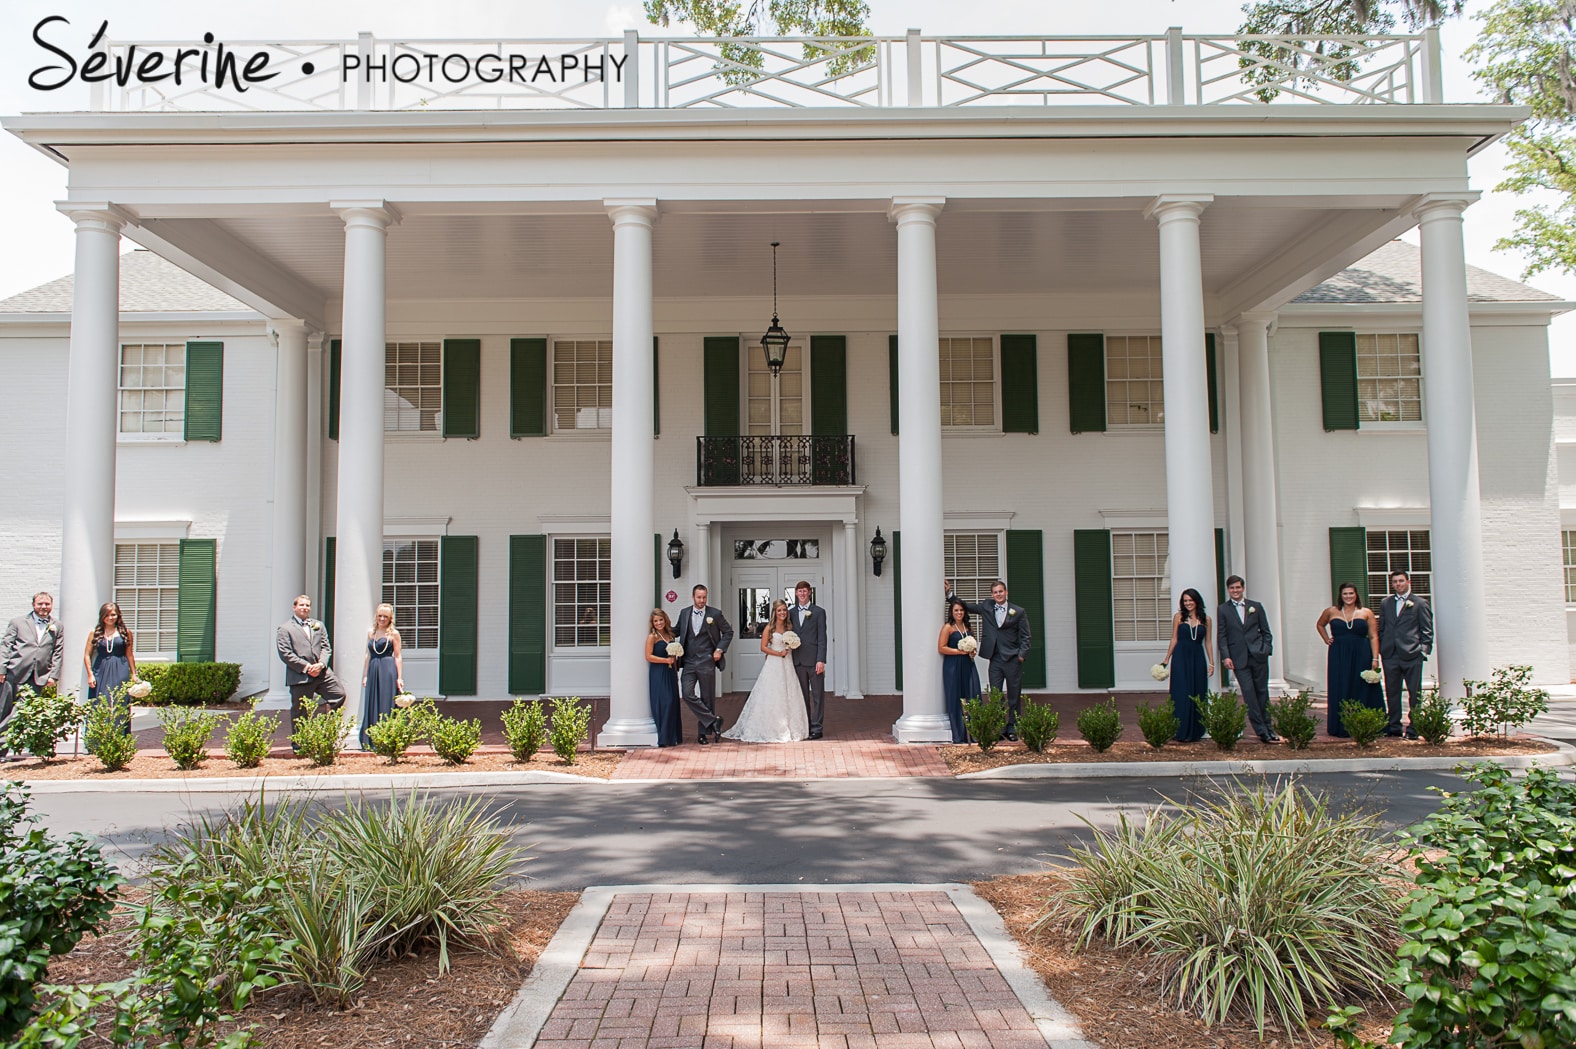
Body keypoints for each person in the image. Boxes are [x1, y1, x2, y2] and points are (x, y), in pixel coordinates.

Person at [723, 600, 809, 743]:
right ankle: (771, 727)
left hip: (787, 663)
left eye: (784, 610)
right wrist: (778, 654)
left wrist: (790, 646)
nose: (782, 613)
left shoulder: (789, 626)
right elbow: (763, 648)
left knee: (789, 692)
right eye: (779, 610)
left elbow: (790, 643)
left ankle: (792, 726)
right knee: (773, 693)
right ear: (774, 612)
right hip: (774, 663)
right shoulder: (769, 628)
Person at [963, 580, 1032, 741]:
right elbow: (968, 607)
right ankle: (1000, 727)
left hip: (1013, 658)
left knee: (1014, 695)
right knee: (996, 694)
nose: (998, 594)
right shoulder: (987, 606)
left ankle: (1013, 727)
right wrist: (950, 596)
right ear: (992, 594)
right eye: (995, 592)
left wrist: (1021, 655)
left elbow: (1026, 636)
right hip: (995, 658)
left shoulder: (1018, 611)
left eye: (1000, 591)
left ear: (1006, 592)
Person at [275, 594, 347, 738]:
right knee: (300, 710)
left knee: (339, 695)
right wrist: (307, 667)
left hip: (322, 673)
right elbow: (285, 653)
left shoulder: (318, 625)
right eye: (301, 605)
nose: (305, 608)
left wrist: (321, 665)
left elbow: (326, 647)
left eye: (307, 605)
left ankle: (325, 733)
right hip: (300, 675)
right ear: (294, 607)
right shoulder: (285, 628)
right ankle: (300, 744)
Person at [1, 593, 63, 758]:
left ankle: (11, 747)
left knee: (22, 712)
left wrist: (53, 675)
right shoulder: (18, 622)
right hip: (14, 673)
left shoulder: (57, 625)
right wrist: (1, 669)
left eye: (47, 604)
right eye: (40, 604)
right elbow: (6, 645)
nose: (44, 607)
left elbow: (57, 651)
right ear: (33, 605)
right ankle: (2, 750)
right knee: (4, 711)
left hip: (38, 676)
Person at [1317, 582, 1383, 738]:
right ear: (1340, 595)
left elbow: (1373, 636)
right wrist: (1326, 639)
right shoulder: (1331, 611)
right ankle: (1340, 726)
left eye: (1351, 593)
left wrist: (1375, 658)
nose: (1348, 596)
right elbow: (1320, 624)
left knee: (1360, 686)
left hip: (1361, 653)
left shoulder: (1365, 612)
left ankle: (1365, 724)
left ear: (1356, 595)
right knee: (1340, 684)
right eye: (1345, 593)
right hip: (1338, 653)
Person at [1217, 575, 1278, 743]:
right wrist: (1226, 656)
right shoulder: (1223, 609)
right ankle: (1261, 731)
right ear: (1228, 590)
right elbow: (1222, 635)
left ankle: (1269, 727)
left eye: (1238, 587)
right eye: (1232, 588)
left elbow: (1266, 632)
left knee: (1262, 692)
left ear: (1243, 588)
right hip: (1238, 659)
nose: (1235, 591)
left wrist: (1266, 650)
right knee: (1249, 694)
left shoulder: (1255, 607)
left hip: (1258, 656)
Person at [1377, 570, 1434, 739]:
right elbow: (1383, 627)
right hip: (1390, 654)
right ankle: (1394, 726)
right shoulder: (1386, 603)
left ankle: (1414, 728)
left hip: (1412, 654)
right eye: (1394, 581)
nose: (1398, 584)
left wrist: (1422, 651)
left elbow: (1427, 630)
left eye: (1401, 581)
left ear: (1408, 582)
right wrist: (1382, 648)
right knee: (1392, 692)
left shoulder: (1419, 603)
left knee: (1414, 693)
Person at [674, 584, 733, 744]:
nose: (701, 600)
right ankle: (714, 721)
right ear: (693, 597)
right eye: (699, 597)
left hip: (707, 660)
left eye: (704, 597)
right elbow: (677, 630)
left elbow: (728, 632)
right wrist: (660, 629)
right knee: (687, 693)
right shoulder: (684, 613)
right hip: (689, 661)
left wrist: (719, 650)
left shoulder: (715, 614)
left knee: (707, 697)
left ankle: (703, 734)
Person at [1160, 588, 1212, 742]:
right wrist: (1166, 658)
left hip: (1197, 657)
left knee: (1197, 691)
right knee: (1181, 691)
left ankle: (1196, 730)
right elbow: (1174, 638)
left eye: (1190, 600)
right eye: (1185, 601)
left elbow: (1208, 642)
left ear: (1197, 601)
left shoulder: (1206, 620)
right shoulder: (1178, 617)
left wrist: (1212, 663)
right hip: (1180, 657)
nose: (1188, 603)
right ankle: (1179, 729)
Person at [83, 602, 138, 727]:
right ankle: (99, 736)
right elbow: (87, 655)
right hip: (101, 668)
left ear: (118, 615)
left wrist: (134, 674)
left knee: (120, 701)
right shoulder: (94, 633)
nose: (110, 618)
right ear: (102, 616)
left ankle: (119, 736)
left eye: (113, 615)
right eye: (107, 615)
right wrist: (90, 674)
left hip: (120, 668)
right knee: (100, 700)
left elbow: (129, 654)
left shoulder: (126, 632)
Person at [358, 603, 404, 750]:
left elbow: (398, 656)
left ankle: (387, 738)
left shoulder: (394, 634)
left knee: (386, 701)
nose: (382, 619)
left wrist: (399, 678)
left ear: (390, 618)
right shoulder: (371, 632)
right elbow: (368, 655)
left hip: (388, 668)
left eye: (385, 616)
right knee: (372, 701)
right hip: (373, 668)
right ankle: (371, 738)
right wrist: (365, 675)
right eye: (380, 616)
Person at [938, 598, 981, 744]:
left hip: (968, 664)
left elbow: (973, 644)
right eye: (956, 610)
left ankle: (975, 732)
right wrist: (958, 651)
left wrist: (972, 651)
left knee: (973, 694)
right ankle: (959, 734)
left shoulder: (968, 626)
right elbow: (941, 647)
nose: (959, 613)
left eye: (961, 610)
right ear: (951, 612)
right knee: (955, 698)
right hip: (953, 665)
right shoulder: (948, 627)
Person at [788, 580, 828, 740]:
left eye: (805, 591)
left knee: (818, 696)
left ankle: (817, 728)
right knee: (802, 696)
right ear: (796, 593)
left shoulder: (818, 612)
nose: (802, 594)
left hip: (814, 661)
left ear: (810, 592)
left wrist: (821, 660)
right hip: (797, 661)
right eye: (799, 591)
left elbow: (822, 638)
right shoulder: (790, 612)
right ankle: (805, 727)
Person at [644, 609, 683, 747]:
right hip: (659, 672)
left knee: (673, 702)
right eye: (656, 621)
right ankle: (664, 737)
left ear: (665, 620)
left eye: (661, 620)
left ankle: (673, 736)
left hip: (671, 672)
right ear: (652, 623)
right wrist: (665, 661)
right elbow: (648, 656)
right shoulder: (652, 637)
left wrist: (675, 665)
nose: (659, 623)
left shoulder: (670, 635)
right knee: (666, 702)